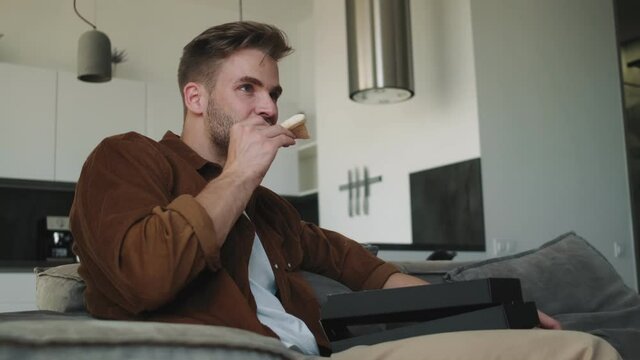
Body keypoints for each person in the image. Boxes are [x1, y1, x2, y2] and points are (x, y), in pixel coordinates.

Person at [69, 21, 619, 359]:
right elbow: (143, 276)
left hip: (329, 353)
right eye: (247, 88)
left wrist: (495, 314)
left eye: (274, 92)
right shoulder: (128, 157)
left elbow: (365, 270)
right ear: (195, 98)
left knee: (565, 349)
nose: (269, 107)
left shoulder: (268, 211)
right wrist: (239, 173)